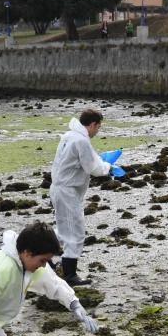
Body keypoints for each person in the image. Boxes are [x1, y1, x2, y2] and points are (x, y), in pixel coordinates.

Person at [50, 109, 112, 285]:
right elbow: (93, 168)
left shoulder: (69, 135)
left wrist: (102, 162)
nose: (97, 132)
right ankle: (70, 275)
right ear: (92, 124)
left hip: (60, 188)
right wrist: (108, 167)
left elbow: (90, 159)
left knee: (64, 228)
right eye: (98, 128)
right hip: (67, 191)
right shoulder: (81, 141)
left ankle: (43, 253)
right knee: (75, 233)